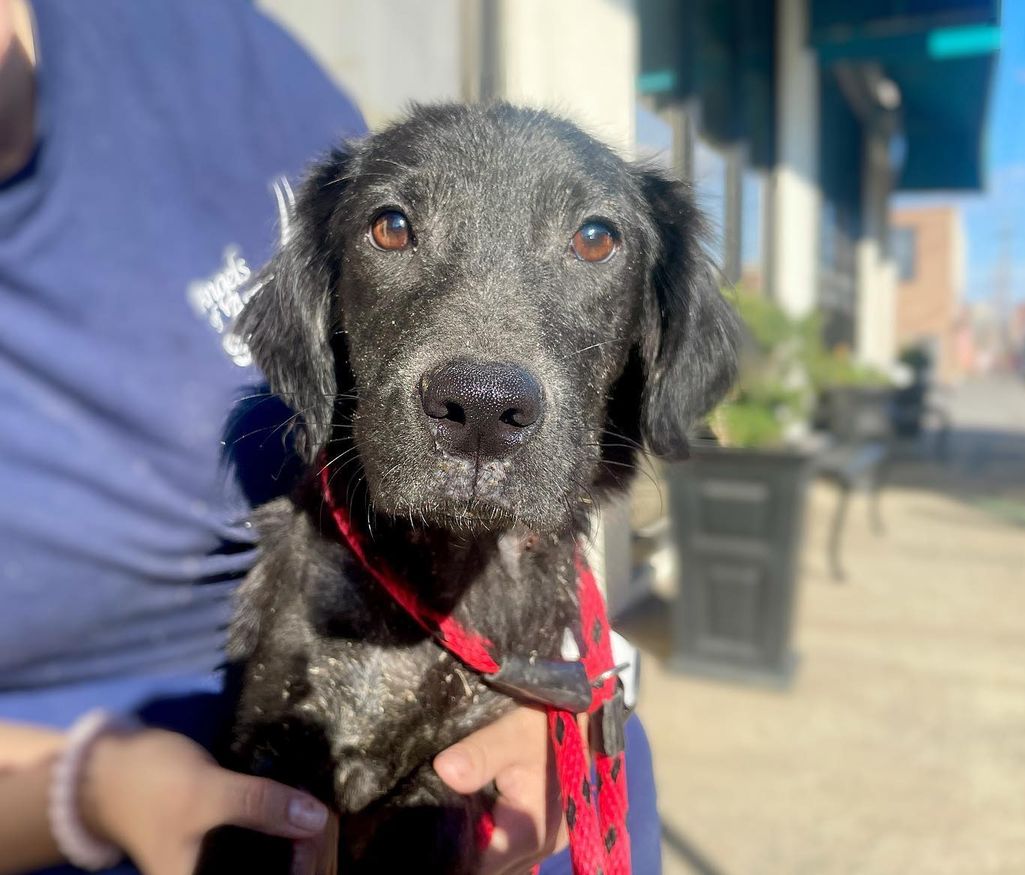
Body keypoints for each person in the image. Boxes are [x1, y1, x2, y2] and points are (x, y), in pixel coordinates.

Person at [0, 2, 662, 874]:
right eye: (395, 228)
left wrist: (585, 675)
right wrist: (88, 787)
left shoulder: (209, 41)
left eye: (592, 238)